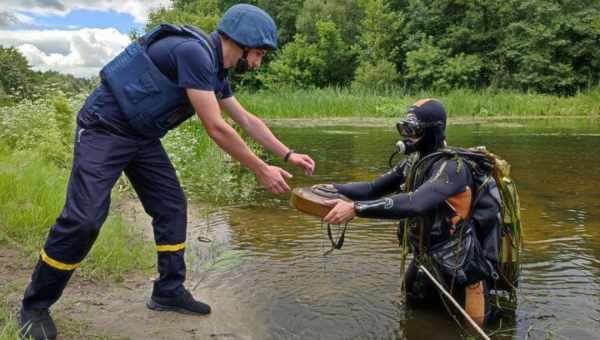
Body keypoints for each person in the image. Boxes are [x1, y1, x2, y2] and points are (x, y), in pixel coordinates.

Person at [19, 4, 315, 340]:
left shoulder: (216, 69)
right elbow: (216, 128)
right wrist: (261, 169)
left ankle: (168, 291)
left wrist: (288, 154)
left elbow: (245, 120)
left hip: (141, 137)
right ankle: (35, 305)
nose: (259, 63)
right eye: (259, 53)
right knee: (84, 219)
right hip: (104, 126)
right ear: (242, 42)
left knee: (172, 206)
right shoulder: (194, 53)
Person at [322, 98, 499, 328]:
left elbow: (415, 203)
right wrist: (334, 188)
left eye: (413, 130)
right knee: (410, 311)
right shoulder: (413, 162)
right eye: (403, 128)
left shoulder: (453, 168)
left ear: (434, 131)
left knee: (472, 330)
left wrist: (356, 209)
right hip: (425, 256)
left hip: (463, 267)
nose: (406, 136)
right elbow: (373, 188)